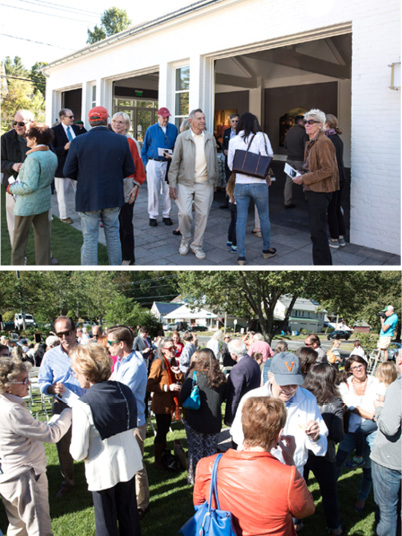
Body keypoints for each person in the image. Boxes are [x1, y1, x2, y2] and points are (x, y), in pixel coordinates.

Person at [194, 397, 315, 536]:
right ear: (279, 435)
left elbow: (199, 504)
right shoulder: (288, 476)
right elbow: (306, 509)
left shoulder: (207, 465)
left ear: (244, 427)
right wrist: (290, 461)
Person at [69, 344, 142, 536]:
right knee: (129, 515)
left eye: (76, 371)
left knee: (106, 523)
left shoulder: (83, 404)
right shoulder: (125, 390)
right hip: (128, 461)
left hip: (102, 468)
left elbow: (78, 452)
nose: (75, 375)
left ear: (86, 371)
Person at [0, 357, 72, 535]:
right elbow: (52, 434)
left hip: (9, 473)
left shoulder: (7, 404)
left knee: (17, 526)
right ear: (8, 385)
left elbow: (36, 429)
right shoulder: (12, 410)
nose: (28, 384)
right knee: (38, 528)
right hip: (25, 476)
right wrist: (69, 411)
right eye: (24, 381)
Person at [230, 352, 328, 477]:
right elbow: (237, 433)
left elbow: (320, 445)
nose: (289, 389)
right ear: (270, 376)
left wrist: (315, 437)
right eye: (284, 384)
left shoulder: (308, 399)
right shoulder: (252, 398)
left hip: (292, 469)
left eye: (294, 384)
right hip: (257, 470)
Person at [63, 106, 135, 265]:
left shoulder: (78, 141)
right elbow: (129, 168)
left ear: (90, 121)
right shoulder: (121, 140)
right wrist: (114, 177)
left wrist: (85, 179)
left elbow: (68, 170)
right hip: (113, 195)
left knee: (89, 238)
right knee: (113, 236)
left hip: (88, 195)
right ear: (107, 120)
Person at [38, 316, 86, 498]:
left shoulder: (86, 351)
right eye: (60, 334)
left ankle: (93, 478)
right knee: (63, 446)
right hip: (62, 404)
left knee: (90, 441)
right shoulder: (50, 356)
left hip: (85, 404)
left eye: (67, 332)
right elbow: (43, 383)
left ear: (74, 331)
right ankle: (68, 481)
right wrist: (52, 388)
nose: (64, 337)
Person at [107, 325, 150, 519]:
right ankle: (130, 499)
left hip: (134, 422)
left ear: (121, 344)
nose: (108, 347)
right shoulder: (122, 361)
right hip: (124, 421)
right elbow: (113, 381)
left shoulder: (135, 364)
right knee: (126, 464)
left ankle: (141, 504)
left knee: (137, 466)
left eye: (110, 343)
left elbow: (120, 392)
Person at [168, 108, 218, 261]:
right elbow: (175, 162)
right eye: (199, 118)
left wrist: (215, 181)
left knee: (203, 215)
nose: (203, 121)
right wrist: (172, 184)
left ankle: (197, 245)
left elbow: (214, 161)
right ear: (191, 121)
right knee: (184, 213)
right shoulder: (182, 138)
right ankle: (185, 240)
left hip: (205, 183)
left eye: (203, 118)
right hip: (185, 182)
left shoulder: (210, 137)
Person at [227, 112, 276, 265]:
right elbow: (268, 156)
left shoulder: (233, 140)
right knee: (263, 217)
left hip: (240, 184)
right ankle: (266, 249)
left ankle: (241, 256)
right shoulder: (262, 136)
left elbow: (230, 165)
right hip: (259, 183)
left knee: (240, 220)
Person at [292, 109, 339, 265]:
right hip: (313, 190)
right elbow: (313, 165)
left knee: (318, 233)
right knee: (315, 232)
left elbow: (329, 169)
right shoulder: (312, 142)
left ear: (320, 125)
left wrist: (304, 178)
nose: (307, 125)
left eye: (311, 122)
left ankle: (323, 265)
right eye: (305, 122)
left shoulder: (323, 142)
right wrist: (301, 172)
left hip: (321, 191)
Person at [7, 122, 58, 265]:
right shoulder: (51, 155)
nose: (26, 137)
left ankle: (16, 267)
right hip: (43, 203)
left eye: (28, 135)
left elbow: (28, 186)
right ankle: (44, 267)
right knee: (43, 239)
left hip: (27, 205)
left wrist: (10, 188)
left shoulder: (33, 158)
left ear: (35, 139)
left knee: (19, 242)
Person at [303, 363, 344, 536]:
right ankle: (334, 526)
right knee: (329, 492)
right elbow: (338, 435)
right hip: (325, 454)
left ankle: (297, 520)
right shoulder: (335, 402)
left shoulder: (302, 397)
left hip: (302, 451)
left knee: (299, 488)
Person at [336, 355, 380, 511]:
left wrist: (376, 416)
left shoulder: (376, 381)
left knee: (369, 467)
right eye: (354, 367)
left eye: (360, 365)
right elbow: (352, 407)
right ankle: (330, 489)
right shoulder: (344, 385)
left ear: (365, 365)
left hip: (373, 431)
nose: (358, 369)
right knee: (339, 459)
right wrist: (374, 417)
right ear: (349, 370)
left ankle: (362, 498)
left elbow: (382, 400)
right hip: (352, 430)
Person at [179, 349, 226, 484]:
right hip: (214, 421)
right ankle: (210, 479)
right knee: (210, 452)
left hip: (195, 421)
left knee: (196, 451)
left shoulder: (194, 376)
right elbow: (223, 398)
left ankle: (195, 479)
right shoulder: (221, 377)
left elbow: (182, 397)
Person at [370, 350, 402, 536]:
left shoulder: (398, 387)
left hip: (390, 460)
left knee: (387, 512)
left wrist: (379, 411)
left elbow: (390, 428)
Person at [347, 361, 397, 469]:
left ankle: (358, 457)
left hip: (378, 418)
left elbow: (380, 403)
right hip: (388, 418)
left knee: (359, 431)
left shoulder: (382, 386)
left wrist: (375, 414)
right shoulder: (394, 385)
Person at [111, 112, 146, 265]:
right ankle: (116, 254)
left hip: (127, 187)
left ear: (127, 125)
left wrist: (136, 186)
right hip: (111, 187)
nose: (117, 124)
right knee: (113, 224)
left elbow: (139, 166)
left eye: (121, 122)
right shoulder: (109, 139)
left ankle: (128, 257)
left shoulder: (131, 142)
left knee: (125, 224)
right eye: (115, 121)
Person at [146, 337, 183, 469]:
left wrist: (179, 374)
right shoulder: (158, 363)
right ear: (162, 350)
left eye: (175, 347)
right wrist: (167, 388)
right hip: (162, 404)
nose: (174, 350)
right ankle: (158, 461)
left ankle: (164, 455)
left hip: (171, 403)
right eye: (171, 348)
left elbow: (180, 379)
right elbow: (149, 385)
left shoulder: (172, 361)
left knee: (165, 430)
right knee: (161, 432)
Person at [1, 109, 34, 247]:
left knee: (41, 226)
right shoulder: (5, 138)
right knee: (14, 225)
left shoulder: (41, 137)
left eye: (21, 123)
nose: (17, 126)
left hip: (35, 187)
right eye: (14, 123)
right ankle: (19, 260)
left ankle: (45, 257)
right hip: (13, 186)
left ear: (31, 123)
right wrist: (12, 165)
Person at [141, 107, 178, 227]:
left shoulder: (173, 129)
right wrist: (147, 163)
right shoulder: (151, 130)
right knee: (153, 190)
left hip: (168, 163)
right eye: (164, 117)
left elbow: (177, 146)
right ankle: (153, 215)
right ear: (159, 117)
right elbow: (144, 148)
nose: (166, 119)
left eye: (167, 117)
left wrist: (173, 157)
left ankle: (166, 215)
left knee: (168, 190)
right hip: (154, 162)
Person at [51, 108, 84, 225]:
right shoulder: (54, 131)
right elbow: (51, 149)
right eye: (70, 117)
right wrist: (64, 148)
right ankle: (64, 216)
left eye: (73, 116)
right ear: (62, 118)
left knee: (80, 191)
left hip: (77, 167)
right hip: (61, 168)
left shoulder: (77, 128)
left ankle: (82, 213)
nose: (73, 119)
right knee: (61, 194)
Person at [224, 339, 261, 428]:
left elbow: (234, 395)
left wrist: (230, 418)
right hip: (252, 407)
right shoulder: (253, 362)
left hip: (241, 411)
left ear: (233, 354)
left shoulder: (238, 368)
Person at [325, 114, 347, 248]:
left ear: (326, 124)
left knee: (331, 209)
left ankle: (334, 239)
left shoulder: (328, 140)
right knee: (337, 207)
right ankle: (341, 237)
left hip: (333, 178)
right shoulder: (337, 139)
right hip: (341, 176)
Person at [283, 115, 308, 208]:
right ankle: (307, 198)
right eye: (304, 122)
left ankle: (287, 201)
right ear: (300, 122)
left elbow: (285, 145)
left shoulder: (289, 131)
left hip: (289, 159)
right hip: (300, 160)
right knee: (305, 179)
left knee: (288, 181)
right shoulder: (304, 132)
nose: (306, 124)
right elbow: (306, 147)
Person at [221, 113, 240, 208]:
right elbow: (223, 144)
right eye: (233, 121)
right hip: (227, 159)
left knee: (237, 180)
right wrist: (224, 150)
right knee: (228, 180)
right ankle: (227, 201)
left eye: (237, 121)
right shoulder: (227, 131)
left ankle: (236, 201)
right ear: (230, 122)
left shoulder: (241, 132)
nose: (235, 123)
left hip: (237, 160)